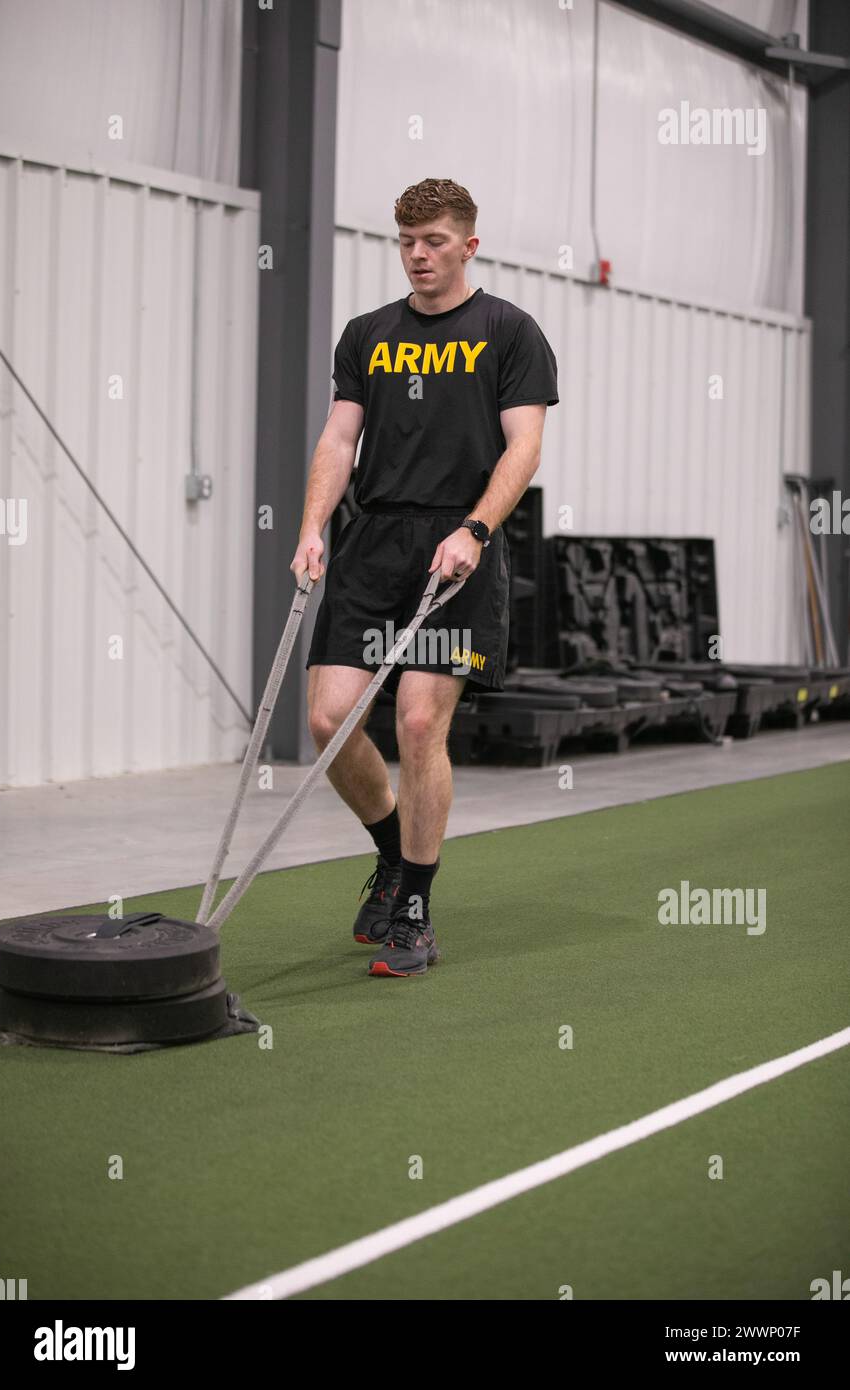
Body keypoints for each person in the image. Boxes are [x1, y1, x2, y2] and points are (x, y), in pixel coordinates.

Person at [290, 177, 558, 977]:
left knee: (415, 724)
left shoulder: (509, 332)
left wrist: (476, 529)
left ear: (468, 245)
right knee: (329, 719)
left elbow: (524, 448)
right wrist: (311, 527)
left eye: (434, 241)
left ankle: (415, 910)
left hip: (456, 545)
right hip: (374, 540)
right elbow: (341, 441)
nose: (417, 255)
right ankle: (390, 852)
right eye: (406, 241)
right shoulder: (368, 334)